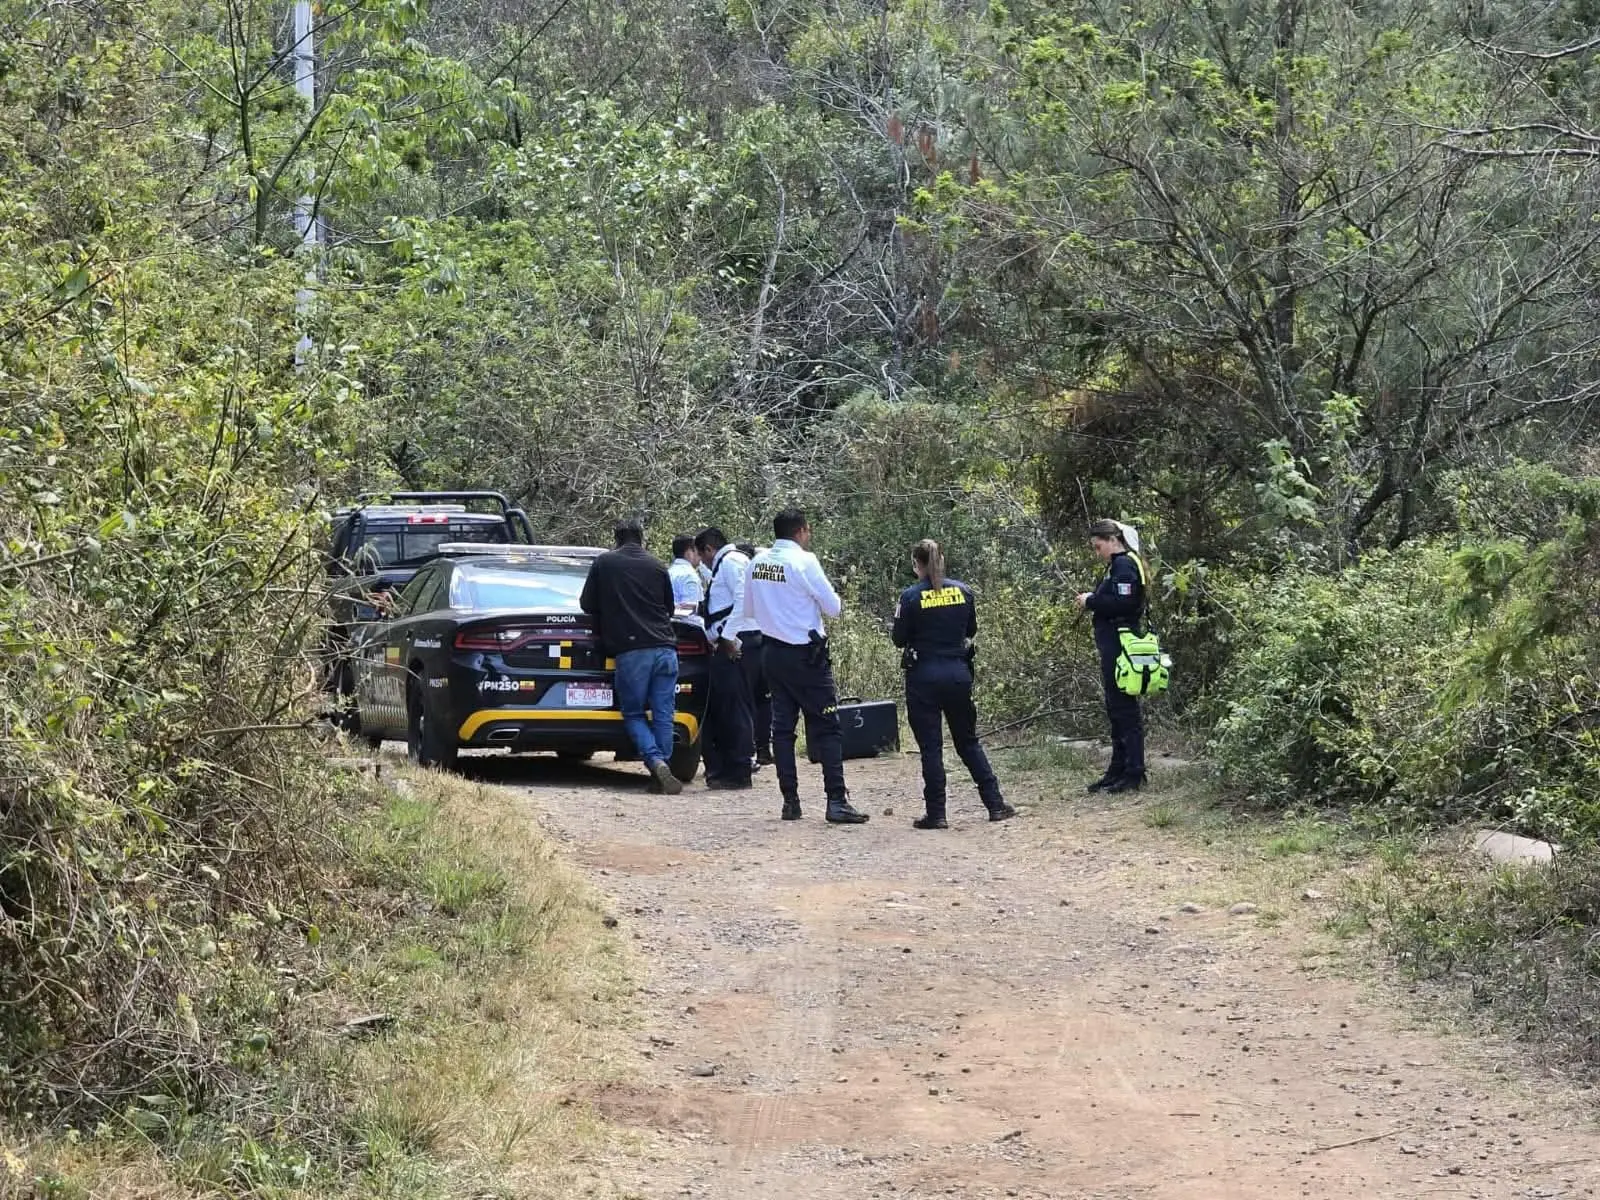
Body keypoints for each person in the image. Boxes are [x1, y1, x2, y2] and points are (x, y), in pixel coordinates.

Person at [743, 510, 868, 824]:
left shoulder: (756, 563)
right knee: (827, 726)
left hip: (771, 652)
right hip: (806, 657)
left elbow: (749, 609)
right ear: (800, 531)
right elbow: (834, 607)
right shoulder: (805, 561)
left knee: (783, 730)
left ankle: (790, 802)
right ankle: (836, 800)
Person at [891, 539, 1015, 828]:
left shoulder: (909, 597)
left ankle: (937, 813)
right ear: (941, 560)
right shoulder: (964, 591)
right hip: (958, 674)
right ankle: (995, 804)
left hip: (924, 677)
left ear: (916, 564)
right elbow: (971, 629)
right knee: (968, 741)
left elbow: (898, 639)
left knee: (931, 748)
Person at [579, 520, 682, 795]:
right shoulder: (659, 565)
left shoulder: (605, 563)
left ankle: (655, 761)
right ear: (642, 539)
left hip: (632, 650)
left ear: (616, 540)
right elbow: (669, 608)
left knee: (634, 712)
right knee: (664, 713)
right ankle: (663, 770)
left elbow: (586, 603)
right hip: (666, 647)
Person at [1074, 519, 1148, 793]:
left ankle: (1134, 772)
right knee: (1115, 708)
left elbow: (1125, 602)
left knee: (1124, 709)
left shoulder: (1125, 564)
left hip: (1122, 645)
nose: (1097, 552)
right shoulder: (1117, 566)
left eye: (1098, 546)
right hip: (1114, 644)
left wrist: (1091, 601)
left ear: (1112, 540)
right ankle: (1117, 769)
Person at [695, 527, 759, 790]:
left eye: (703, 556)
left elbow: (744, 599)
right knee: (726, 707)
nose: (704, 563)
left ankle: (739, 770)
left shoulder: (732, 562)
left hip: (738, 641)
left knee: (735, 709)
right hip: (731, 639)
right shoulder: (724, 564)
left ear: (709, 549)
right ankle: (729, 767)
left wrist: (727, 637)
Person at [740, 542, 774, 767]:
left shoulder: (740, 577)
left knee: (746, 699)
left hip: (744, 641)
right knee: (765, 700)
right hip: (765, 640)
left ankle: (749, 749)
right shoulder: (764, 576)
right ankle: (763, 748)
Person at [668, 534, 704, 628]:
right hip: (686, 632)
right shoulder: (689, 575)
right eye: (698, 551)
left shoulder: (668, 572)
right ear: (689, 552)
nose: (700, 556)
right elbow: (689, 613)